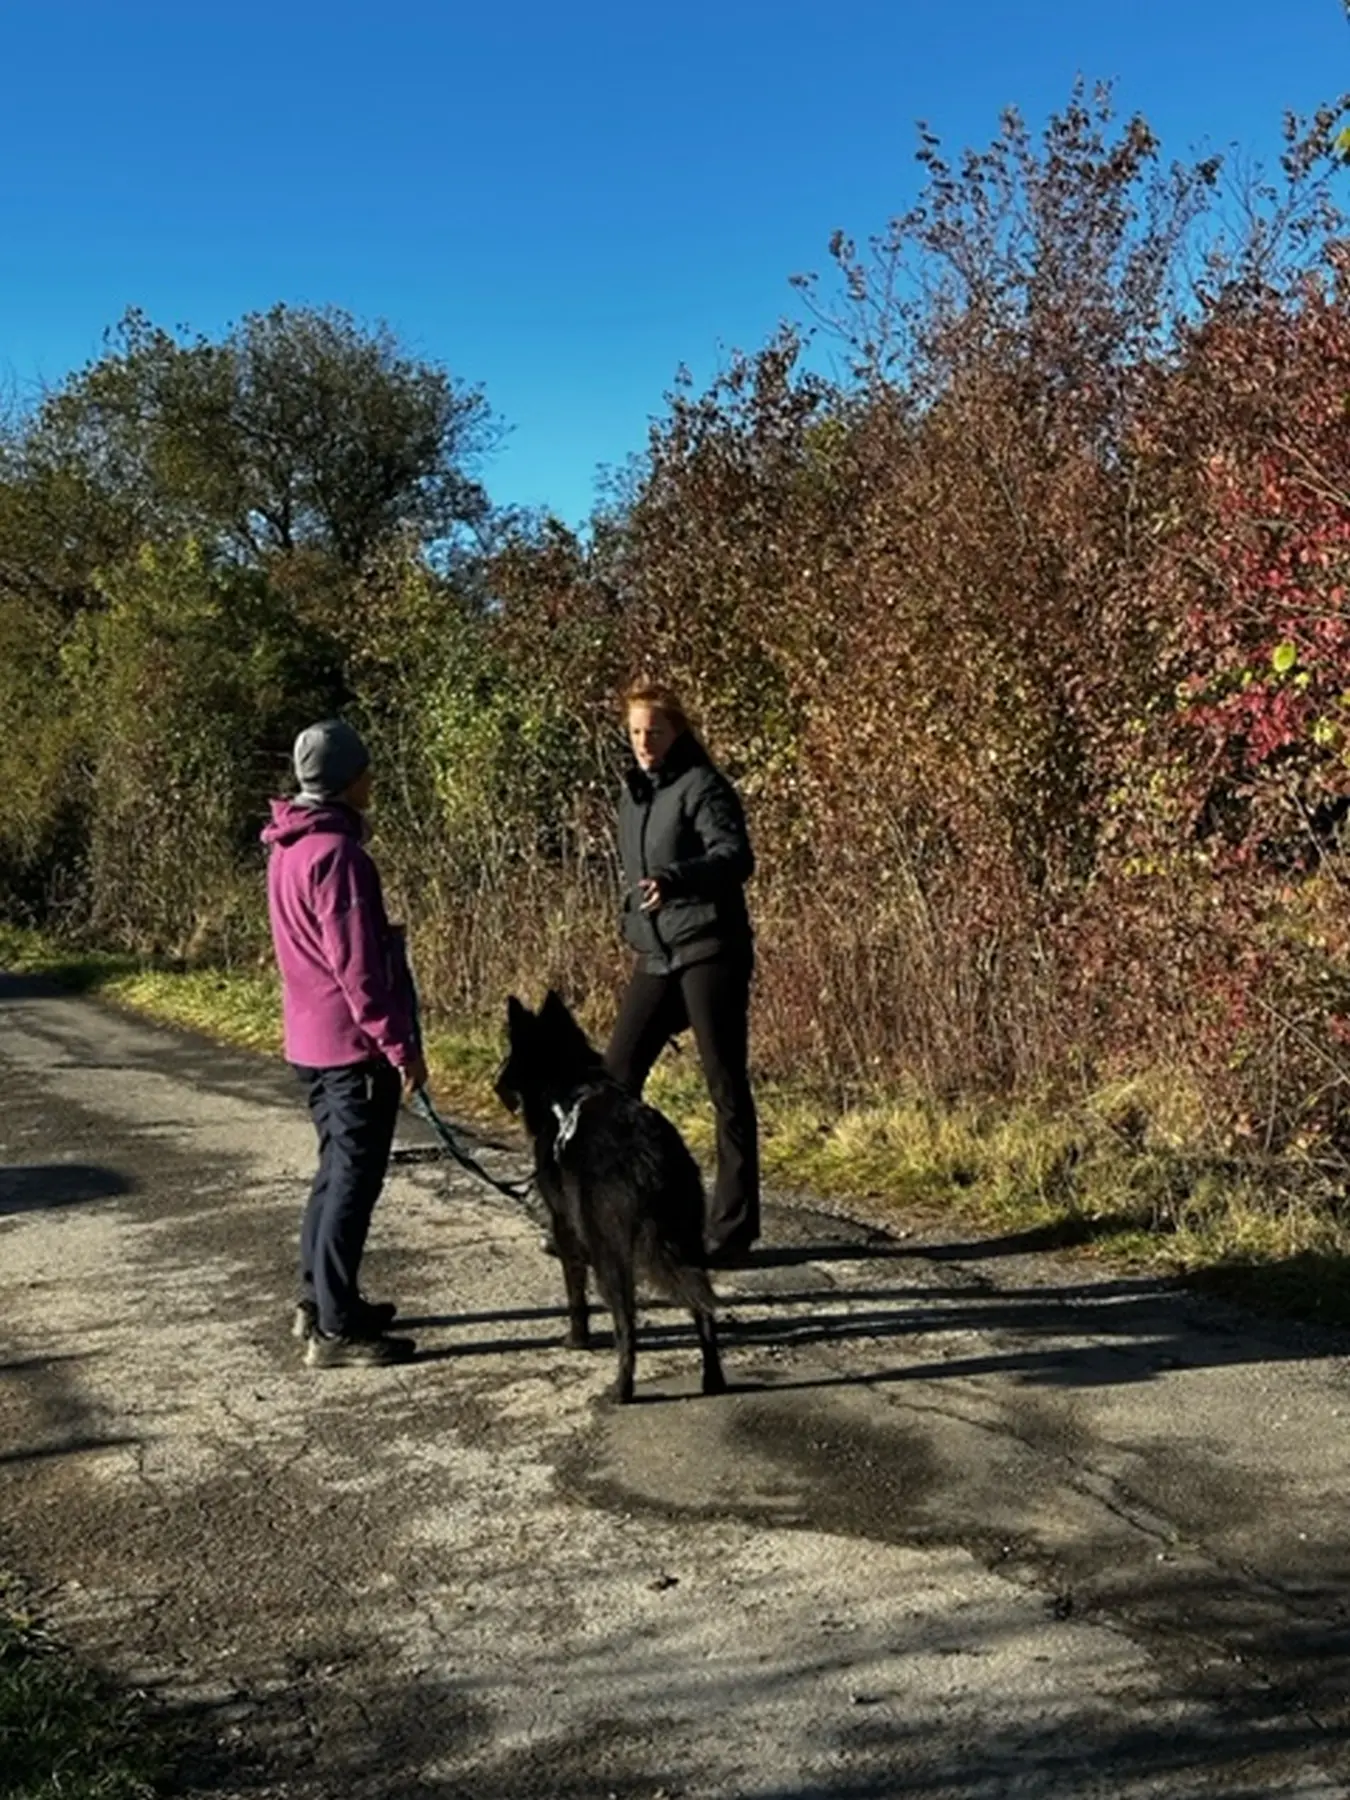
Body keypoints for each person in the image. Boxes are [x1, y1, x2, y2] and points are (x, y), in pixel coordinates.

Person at [262, 719, 425, 1367]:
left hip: (309, 1041)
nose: (372, 778)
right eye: (365, 769)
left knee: (333, 1174)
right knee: (354, 1182)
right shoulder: (340, 857)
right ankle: (336, 1331)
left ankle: (321, 1298)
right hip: (350, 1047)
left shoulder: (287, 846)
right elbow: (358, 967)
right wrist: (398, 1045)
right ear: (347, 779)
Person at [606, 681, 761, 1265]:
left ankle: (733, 1229)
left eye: (656, 732)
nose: (645, 742)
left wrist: (676, 879)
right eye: (637, 732)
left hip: (709, 946)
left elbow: (735, 857)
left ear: (679, 733)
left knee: (725, 1086)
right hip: (657, 953)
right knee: (614, 1079)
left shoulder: (703, 786)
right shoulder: (634, 794)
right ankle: (622, 1214)